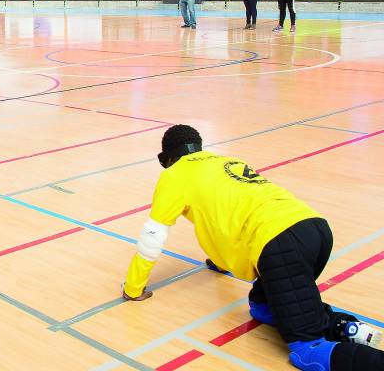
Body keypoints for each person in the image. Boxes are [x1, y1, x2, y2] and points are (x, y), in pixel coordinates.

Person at [121, 124, 384, 371]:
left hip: (279, 245)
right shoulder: (225, 162)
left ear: (166, 157)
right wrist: (218, 261)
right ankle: (346, 328)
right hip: (314, 228)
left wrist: (133, 288)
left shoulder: (174, 175)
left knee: (308, 351)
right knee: (261, 307)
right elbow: (227, 220)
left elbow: (152, 237)